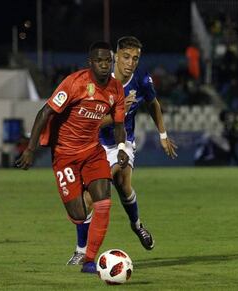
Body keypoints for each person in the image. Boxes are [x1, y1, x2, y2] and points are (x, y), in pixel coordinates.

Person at [16, 41, 129, 274]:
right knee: (78, 213)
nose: (105, 65)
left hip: (92, 151)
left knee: (104, 203)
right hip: (64, 155)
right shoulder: (75, 83)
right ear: (91, 63)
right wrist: (30, 148)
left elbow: (119, 123)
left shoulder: (116, 88)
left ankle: (89, 261)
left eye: (108, 60)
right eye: (100, 61)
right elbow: (45, 112)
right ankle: (81, 242)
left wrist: (121, 147)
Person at [67, 36, 177, 265]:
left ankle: (137, 226)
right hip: (94, 143)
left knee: (122, 181)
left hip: (122, 141)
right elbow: (90, 122)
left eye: (135, 58)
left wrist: (163, 135)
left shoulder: (141, 80)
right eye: (126, 57)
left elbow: (153, 104)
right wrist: (117, 111)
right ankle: (80, 251)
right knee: (87, 200)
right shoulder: (99, 81)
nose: (131, 62)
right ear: (116, 56)